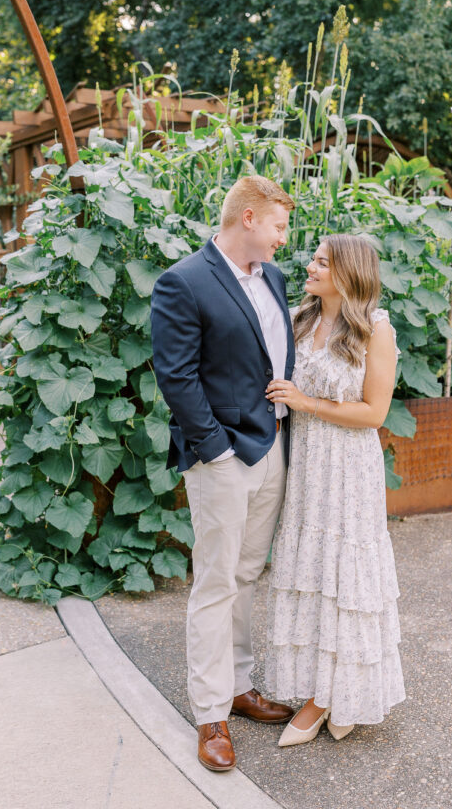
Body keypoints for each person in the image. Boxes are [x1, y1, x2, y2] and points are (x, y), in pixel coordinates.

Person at [150, 175, 297, 772]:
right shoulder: (184, 281)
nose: (285, 239)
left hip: (273, 446)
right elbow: (176, 375)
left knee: (247, 573)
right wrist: (214, 450)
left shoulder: (276, 280)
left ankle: (239, 685)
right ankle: (210, 712)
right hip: (223, 458)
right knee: (215, 582)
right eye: (280, 226)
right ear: (249, 219)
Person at [265, 233, 406, 746]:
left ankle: (335, 696)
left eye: (322, 262)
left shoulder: (375, 329)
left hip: (348, 467)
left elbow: (374, 413)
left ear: (348, 272)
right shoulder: (301, 320)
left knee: (347, 579)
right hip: (305, 465)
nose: (310, 265)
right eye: (314, 259)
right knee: (313, 571)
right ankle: (320, 689)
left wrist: (307, 404)